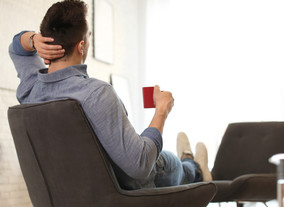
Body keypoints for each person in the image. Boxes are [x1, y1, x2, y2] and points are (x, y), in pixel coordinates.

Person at [9, 0, 212, 190]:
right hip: (120, 191)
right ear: (81, 46)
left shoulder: (31, 88)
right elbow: (139, 166)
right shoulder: (96, 94)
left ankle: (190, 160)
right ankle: (195, 169)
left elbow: (17, 49)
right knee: (165, 162)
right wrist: (161, 111)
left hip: (64, 196)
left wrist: (32, 39)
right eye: (89, 36)